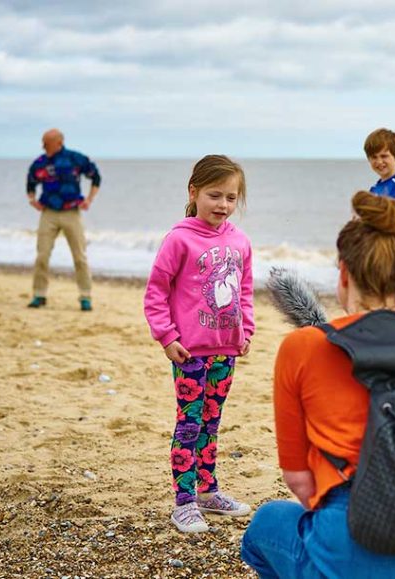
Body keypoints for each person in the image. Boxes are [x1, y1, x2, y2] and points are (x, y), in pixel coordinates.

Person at [241, 192, 395, 578]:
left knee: (265, 525)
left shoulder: (302, 347)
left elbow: (298, 480)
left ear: (343, 274)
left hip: (354, 529)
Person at [143, 155, 255, 534]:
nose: (222, 205)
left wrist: (246, 331)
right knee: (189, 424)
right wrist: (166, 336)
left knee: (212, 422)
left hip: (226, 350)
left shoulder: (240, 241)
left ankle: (208, 492)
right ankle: (184, 502)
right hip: (189, 351)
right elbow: (156, 292)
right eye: (214, 195)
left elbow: (245, 291)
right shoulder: (179, 239)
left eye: (230, 197)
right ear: (194, 192)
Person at [25, 128, 101, 311]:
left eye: (46, 143)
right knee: (42, 255)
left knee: (80, 256)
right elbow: (30, 181)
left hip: (71, 213)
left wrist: (89, 199)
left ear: (58, 142)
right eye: (43, 143)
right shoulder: (40, 163)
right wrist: (32, 200)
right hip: (48, 213)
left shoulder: (75, 158)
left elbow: (96, 176)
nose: (43, 146)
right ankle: (39, 294)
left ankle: (85, 296)